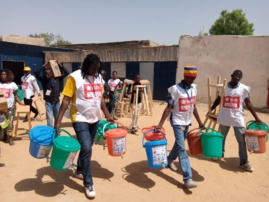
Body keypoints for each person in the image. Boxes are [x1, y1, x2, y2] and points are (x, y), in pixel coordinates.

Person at [54, 53, 114, 199]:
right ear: (86, 65)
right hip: (79, 117)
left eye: (98, 69)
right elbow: (66, 100)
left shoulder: (99, 78)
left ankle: (80, 170)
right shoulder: (74, 77)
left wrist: (107, 115)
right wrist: (58, 121)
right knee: (86, 147)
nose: (95, 71)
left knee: (88, 147)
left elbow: (100, 99)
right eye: (93, 68)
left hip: (95, 118)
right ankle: (88, 183)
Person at [156, 66, 204, 189]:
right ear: (185, 76)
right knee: (182, 148)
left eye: (194, 78)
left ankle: (170, 159)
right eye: (190, 78)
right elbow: (168, 108)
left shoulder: (194, 88)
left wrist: (200, 122)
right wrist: (160, 124)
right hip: (177, 122)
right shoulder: (174, 90)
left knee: (179, 144)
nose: (192, 81)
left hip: (187, 121)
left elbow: (193, 106)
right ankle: (188, 178)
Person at [211, 70, 262, 172]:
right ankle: (219, 154)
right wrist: (211, 109)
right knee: (222, 138)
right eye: (235, 76)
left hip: (237, 119)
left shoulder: (243, 89)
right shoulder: (224, 87)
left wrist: (256, 117)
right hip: (225, 117)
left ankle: (244, 162)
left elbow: (248, 103)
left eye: (239, 77)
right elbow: (218, 99)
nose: (236, 79)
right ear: (231, 76)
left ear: (240, 79)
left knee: (242, 140)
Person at [35, 62, 70, 127]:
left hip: (56, 102)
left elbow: (67, 73)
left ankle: (56, 131)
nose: (46, 75)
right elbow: (36, 72)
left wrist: (60, 65)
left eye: (48, 74)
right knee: (50, 119)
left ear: (52, 74)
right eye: (45, 74)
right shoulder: (44, 80)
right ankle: (50, 132)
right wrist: (44, 65)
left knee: (57, 118)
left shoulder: (57, 79)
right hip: (48, 103)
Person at [0, 69, 24, 145]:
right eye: (2, 74)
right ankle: (4, 136)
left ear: (8, 75)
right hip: (1, 108)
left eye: (4, 74)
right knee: (2, 123)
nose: (3, 76)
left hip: (10, 107)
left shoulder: (13, 85)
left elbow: (16, 95)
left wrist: (20, 103)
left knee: (10, 123)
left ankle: (10, 138)